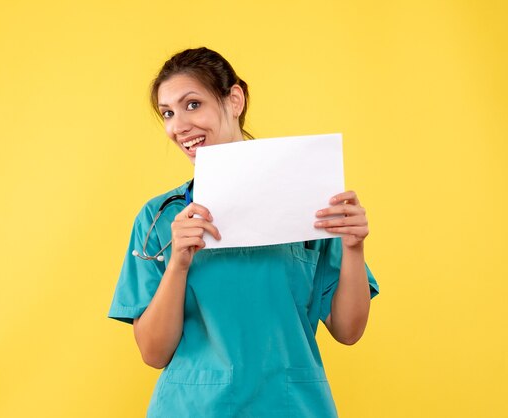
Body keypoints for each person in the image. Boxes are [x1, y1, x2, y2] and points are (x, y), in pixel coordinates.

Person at [108, 47, 380, 417]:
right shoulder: (161, 218)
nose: (177, 126)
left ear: (234, 99)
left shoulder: (309, 201)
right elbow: (153, 354)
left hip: (291, 407)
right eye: (167, 113)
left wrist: (353, 247)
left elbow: (348, 330)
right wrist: (178, 265)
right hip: (192, 409)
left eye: (192, 105)